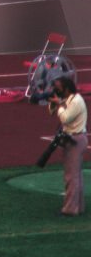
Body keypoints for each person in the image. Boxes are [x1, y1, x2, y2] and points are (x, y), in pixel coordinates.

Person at [48, 76, 87, 217]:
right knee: (76, 176)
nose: (56, 90)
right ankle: (78, 206)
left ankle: (70, 209)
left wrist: (58, 104)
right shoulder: (70, 99)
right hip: (73, 138)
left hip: (75, 140)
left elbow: (65, 118)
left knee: (71, 177)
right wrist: (54, 103)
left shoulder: (76, 101)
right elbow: (52, 112)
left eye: (58, 87)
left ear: (67, 88)